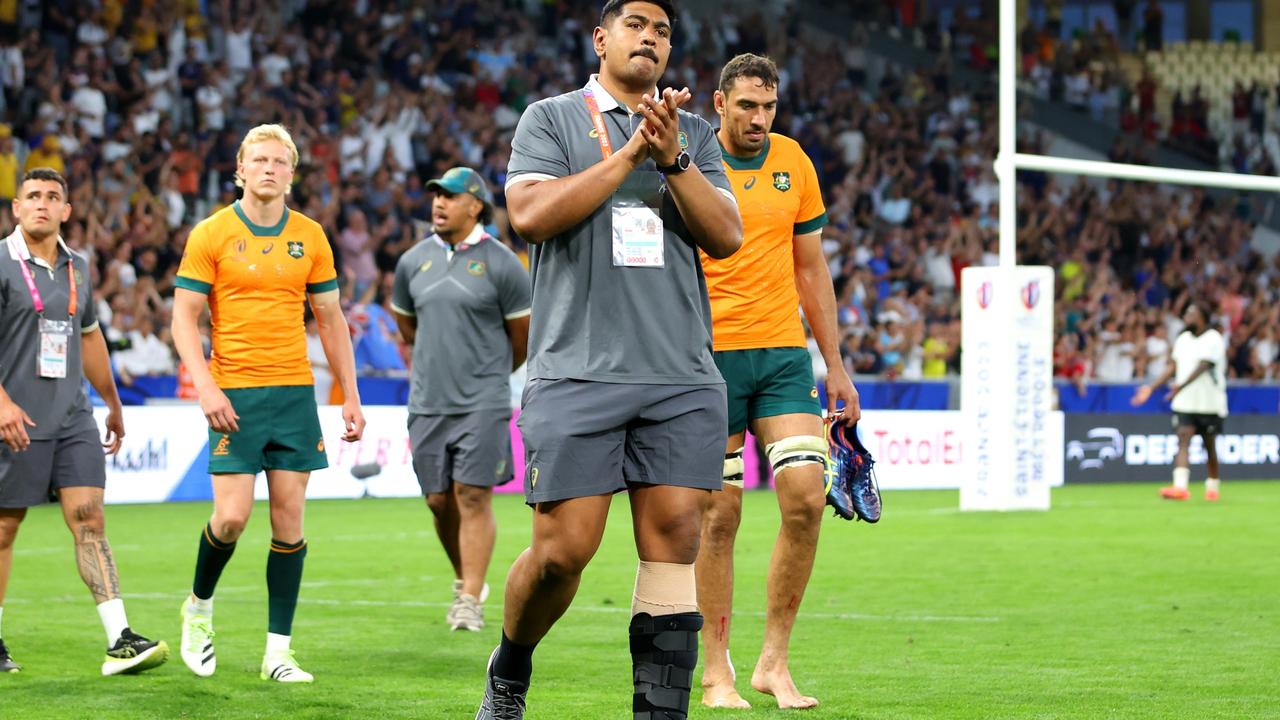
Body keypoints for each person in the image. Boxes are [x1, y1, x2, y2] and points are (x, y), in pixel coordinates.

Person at [475, 1, 743, 717]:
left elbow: (726, 237)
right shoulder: (551, 118)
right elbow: (530, 216)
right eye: (636, 26)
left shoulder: (691, 133)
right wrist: (628, 155)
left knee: (675, 541)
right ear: (601, 39)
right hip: (576, 369)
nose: (650, 39)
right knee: (564, 553)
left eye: (662, 32)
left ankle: (660, 713)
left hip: (680, 373)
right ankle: (510, 668)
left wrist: (673, 159)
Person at [694, 54, 860, 710]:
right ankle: (716, 671)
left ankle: (773, 662)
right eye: (747, 107)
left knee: (804, 498)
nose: (759, 119)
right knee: (720, 515)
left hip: (784, 358)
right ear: (719, 103)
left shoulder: (795, 161)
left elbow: (811, 269)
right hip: (707, 359)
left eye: (768, 107)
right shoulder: (691, 160)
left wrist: (836, 364)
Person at [171, 124, 366, 683]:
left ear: (291, 173)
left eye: (280, 161)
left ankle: (278, 653)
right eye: (258, 159)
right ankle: (199, 607)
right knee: (231, 518)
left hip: (294, 393)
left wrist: (350, 394)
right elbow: (184, 317)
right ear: (239, 169)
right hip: (233, 391)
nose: (269, 168)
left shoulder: (311, 236)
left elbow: (330, 320)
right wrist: (206, 386)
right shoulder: (211, 233)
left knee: (289, 522)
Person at [0, 168, 168, 675]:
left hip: (73, 416)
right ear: (16, 207)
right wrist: (2, 404)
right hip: (15, 418)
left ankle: (120, 638)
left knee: (90, 520)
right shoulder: (2, 263)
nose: (43, 204)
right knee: (5, 529)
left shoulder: (79, 267)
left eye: (53, 197)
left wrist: (112, 402)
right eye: (33, 196)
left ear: (67, 211)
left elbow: (89, 336)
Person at [391, 166, 531, 633]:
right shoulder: (412, 262)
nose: (438, 203)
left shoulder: (504, 263)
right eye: (435, 195)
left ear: (475, 205)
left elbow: (522, 339)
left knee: (472, 496)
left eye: (450, 196)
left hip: (483, 402)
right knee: (437, 501)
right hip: (428, 401)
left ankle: (469, 598)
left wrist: (489, 377)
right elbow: (408, 329)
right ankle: (464, 576)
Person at [1131, 301, 1227, 501]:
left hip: (1208, 402)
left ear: (1202, 317)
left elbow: (1204, 366)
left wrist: (1179, 386)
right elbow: (1172, 367)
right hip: (1184, 402)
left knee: (1209, 446)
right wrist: (1151, 388)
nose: (1186, 317)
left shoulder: (1213, 339)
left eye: (1191, 313)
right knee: (1183, 439)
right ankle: (1180, 487)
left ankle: (1212, 485)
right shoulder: (1183, 339)